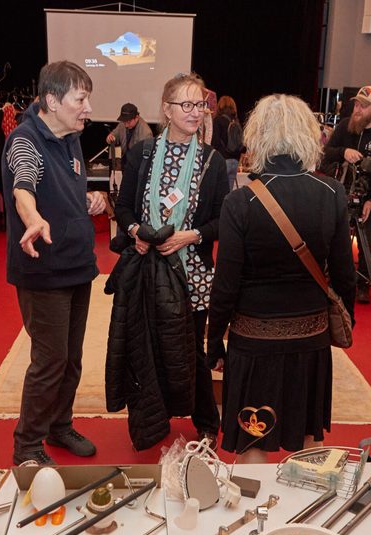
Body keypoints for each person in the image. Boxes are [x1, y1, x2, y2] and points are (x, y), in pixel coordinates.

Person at [208, 94, 355, 459]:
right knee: (307, 437)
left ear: (258, 137)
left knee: (252, 437)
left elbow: (225, 283)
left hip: (253, 340)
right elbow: (344, 274)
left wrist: (214, 340)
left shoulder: (240, 202)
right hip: (311, 336)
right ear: (308, 135)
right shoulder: (331, 193)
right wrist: (342, 318)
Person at [109, 72, 227, 449]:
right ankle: (152, 421)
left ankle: (206, 422)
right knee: (146, 347)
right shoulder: (142, 154)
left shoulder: (212, 161)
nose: (195, 112)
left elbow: (222, 220)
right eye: (186, 104)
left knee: (191, 350)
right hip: (147, 269)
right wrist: (136, 232)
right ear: (167, 109)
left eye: (200, 105)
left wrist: (189, 236)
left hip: (192, 274)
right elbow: (123, 208)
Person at [2, 61, 108, 465]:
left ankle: (60, 426)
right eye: (80, 99)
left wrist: (89, 199)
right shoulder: (25, 140)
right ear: (52, 100)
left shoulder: (70, 138)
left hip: (77, 265)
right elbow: (23, 186)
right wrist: (32, 219)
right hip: (43, 270)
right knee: (49, 362)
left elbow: (60, 189)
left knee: (71, 360)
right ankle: (28, 445)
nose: (88, 108)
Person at [319, 86, 371, 304]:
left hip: (367, 195)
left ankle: (363, 284)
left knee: (366, 240)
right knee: (333, 235)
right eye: (356, 104)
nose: (357, 109)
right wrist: (343, 152)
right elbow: (325, 153)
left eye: (363, 106)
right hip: (339, 190)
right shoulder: (345, 126)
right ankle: (331, 276)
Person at [211, 95, 243, 189]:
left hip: (222, 160)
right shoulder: (236, 122)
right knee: (229, 191)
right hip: (235, 161)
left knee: (219, 191)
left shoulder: (218, 121)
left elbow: (215, 142)